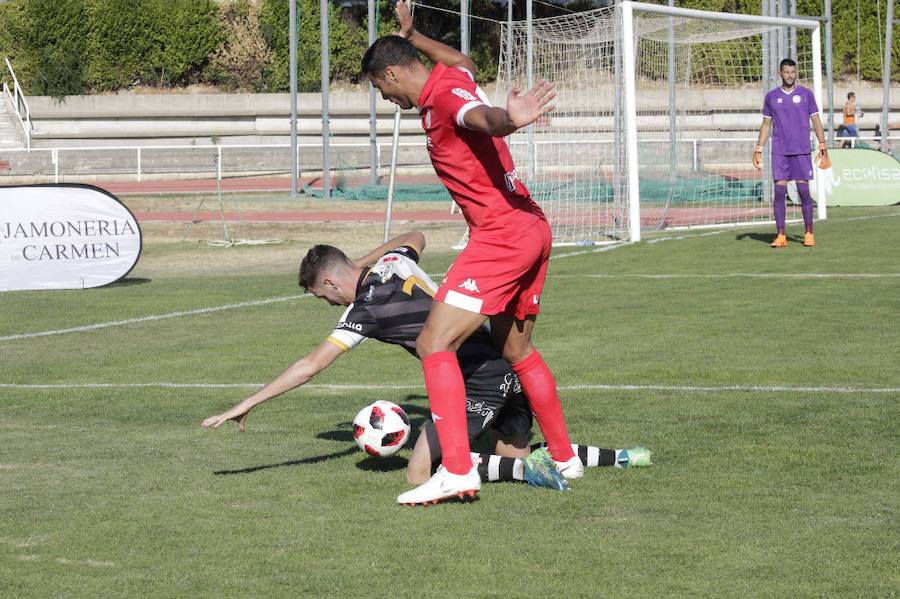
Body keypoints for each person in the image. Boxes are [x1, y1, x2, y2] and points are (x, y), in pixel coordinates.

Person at [201, 232, 651, 491]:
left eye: (323, 295)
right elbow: (415, 234)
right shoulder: (395, 262)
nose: (327, 303)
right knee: (508, 453)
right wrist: (362, 261)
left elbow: (311, 365)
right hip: (502, 362)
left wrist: (247, 403)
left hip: (477, 380)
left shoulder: (364, 311)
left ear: (331, 282)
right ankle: (618, 457)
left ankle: (529, 471)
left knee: (420, 472)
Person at [362, 0, 579, 505]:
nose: (385, 98)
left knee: (433, 343)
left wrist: (508, 119)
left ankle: (458, 470)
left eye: (380, 88)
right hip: (530, 224)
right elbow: (467, 67)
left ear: (392, 75)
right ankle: (565, 456)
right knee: (515, 350)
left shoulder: (444, 100)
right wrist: (414, 35)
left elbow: (478, 117)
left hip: (501, 234)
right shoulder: (450, 79)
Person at [753, 58, 829, 248]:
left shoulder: (806, 94)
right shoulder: (771, 97)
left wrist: (822, 143)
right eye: (786, 72)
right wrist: (758, 148)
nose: (790, 75)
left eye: (793, 72)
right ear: (780, 74)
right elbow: (766, 124)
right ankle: (781, 236)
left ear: (796, 73)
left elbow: (816, 120)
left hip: (801, 150)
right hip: (779, 151)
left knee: (804, 191)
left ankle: (809, 233)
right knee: (779, 192)